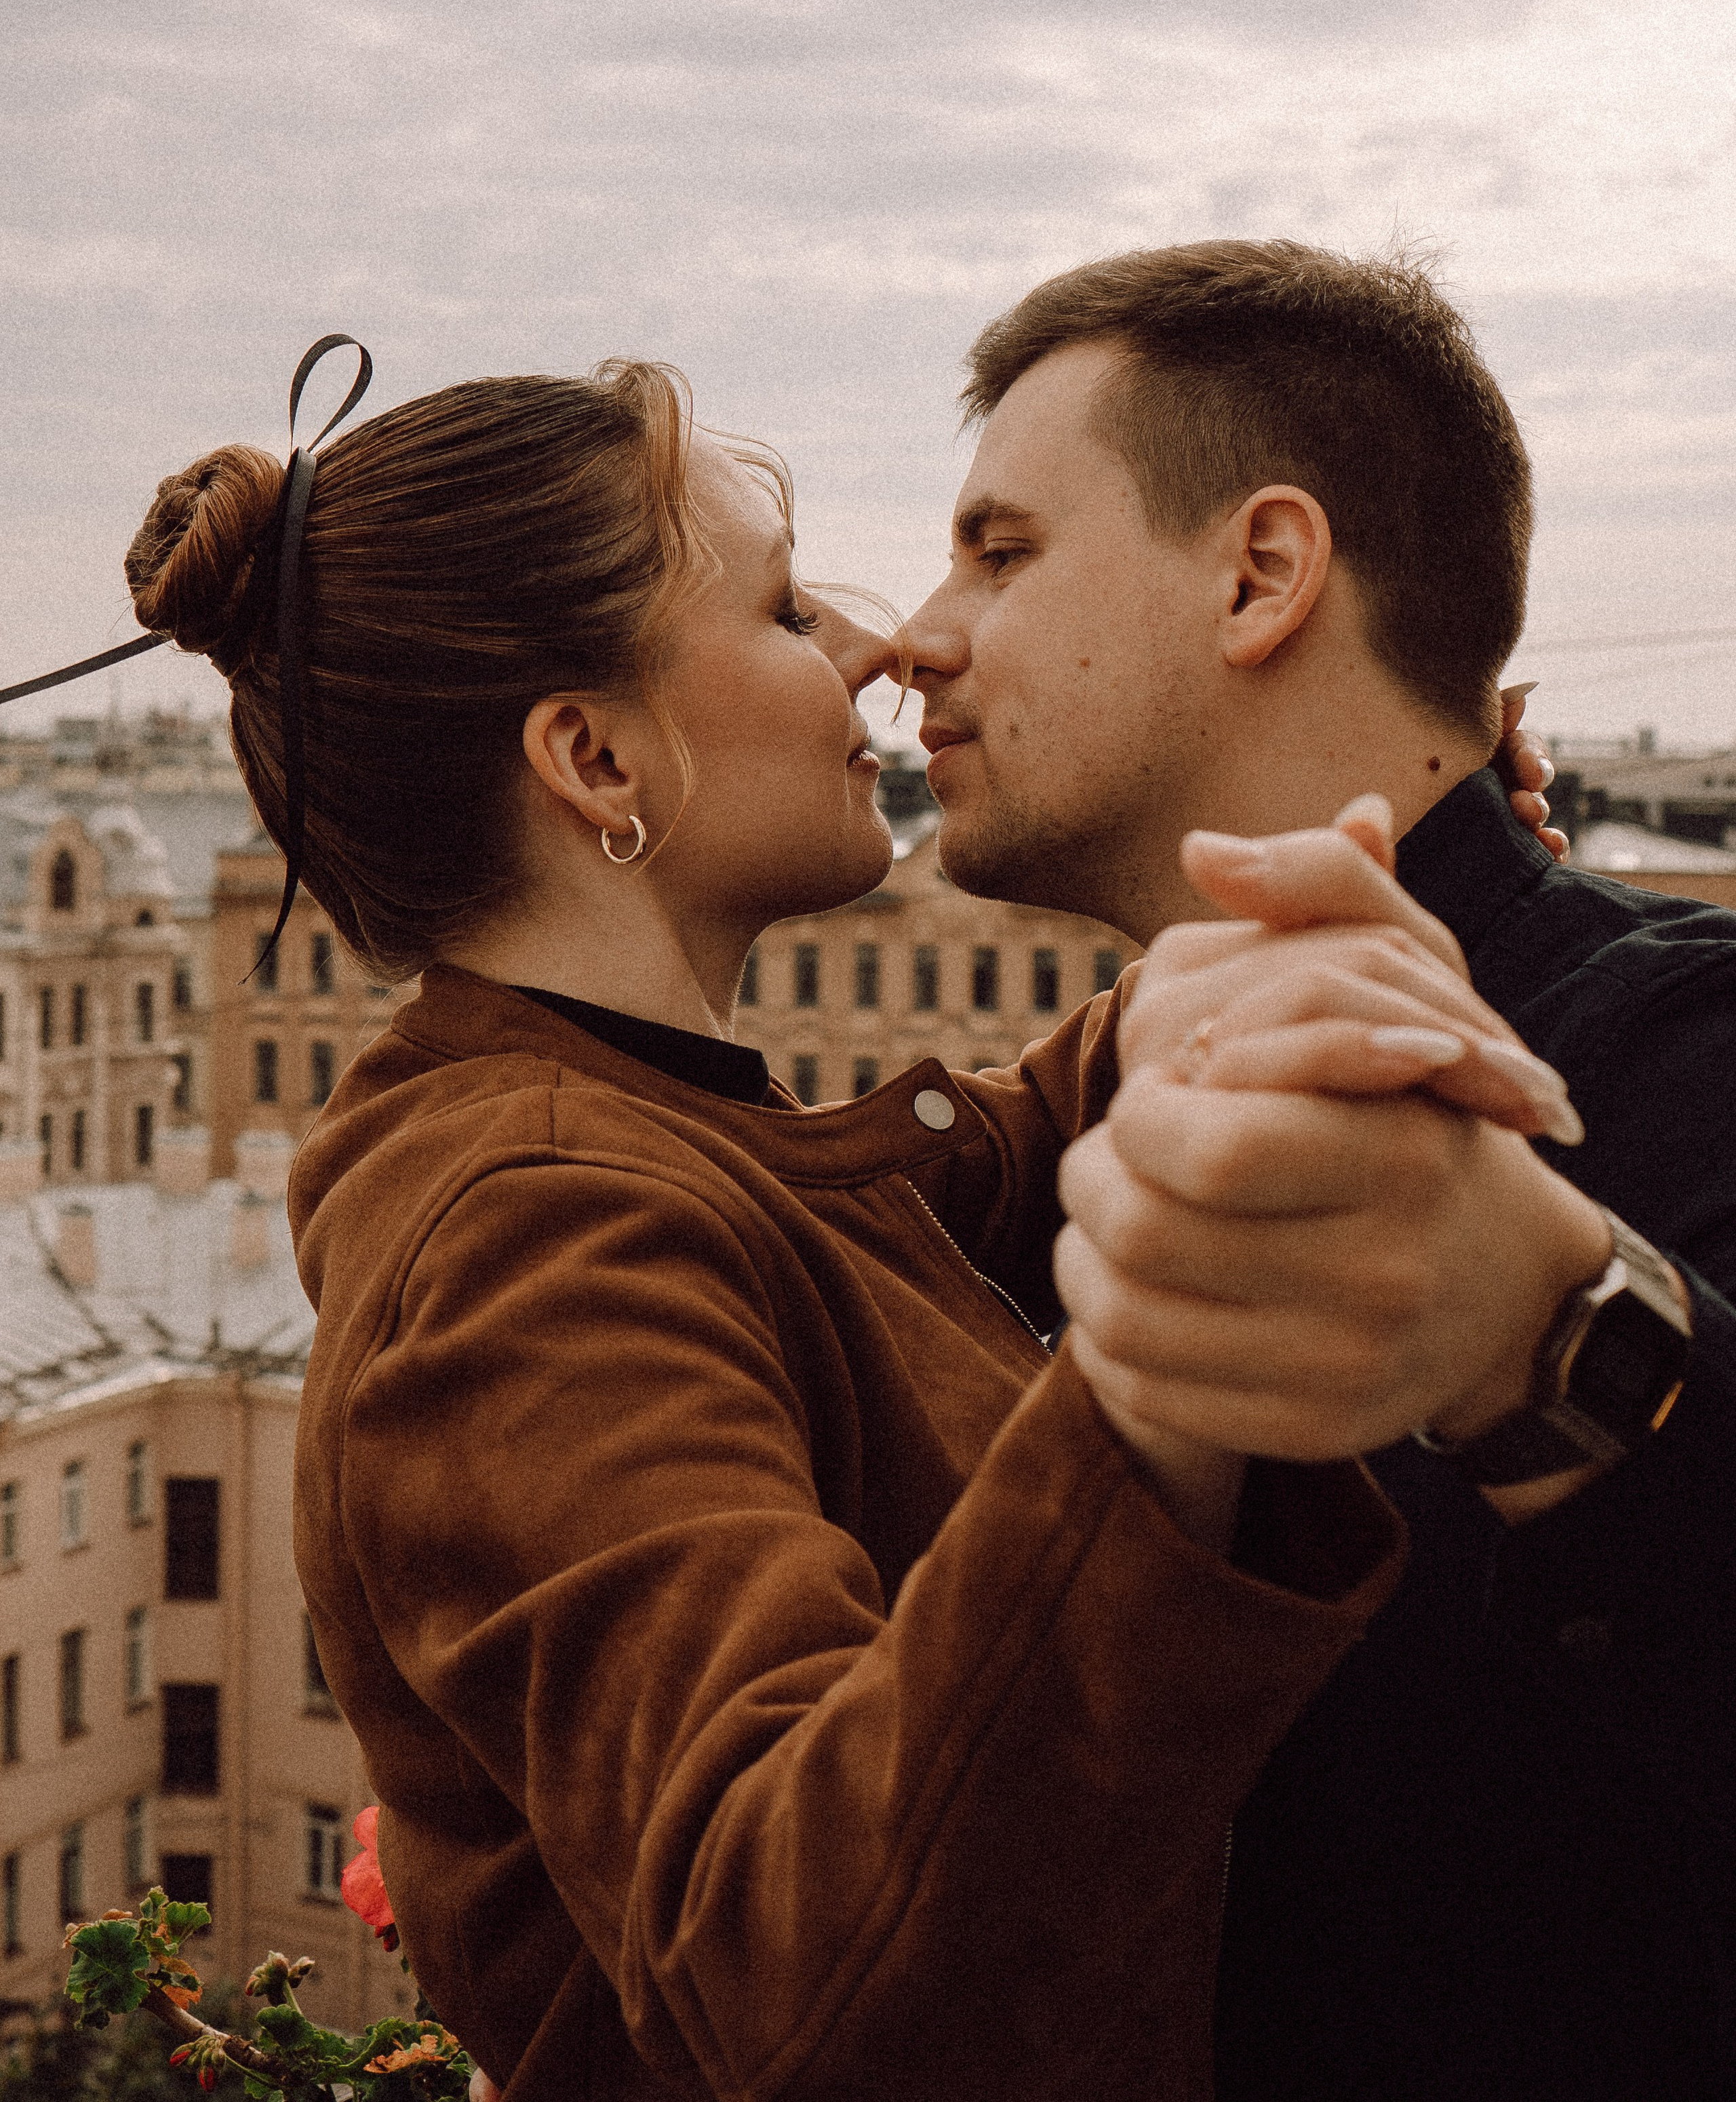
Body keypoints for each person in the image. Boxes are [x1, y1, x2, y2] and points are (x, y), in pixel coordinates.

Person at [116, 351, 1582, 2102]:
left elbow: (945, 1183)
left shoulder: (639, 1136)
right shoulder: (533, 1238)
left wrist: (1363, 861)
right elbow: (814, 1986)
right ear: (595, 759)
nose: (877, 650)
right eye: (785, 606)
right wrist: (1164, 1356)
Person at [902, 237, 1736, 2101]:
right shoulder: (1094, 1138)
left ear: (1264, 573)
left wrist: (1552, 1338)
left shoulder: (1680, 1046)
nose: (915, 634)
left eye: (1003, 548)